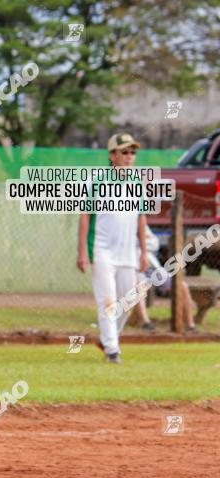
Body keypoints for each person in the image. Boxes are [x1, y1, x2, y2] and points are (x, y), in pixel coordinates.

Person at [77, 132, 149, 363]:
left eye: (132, 153)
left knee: (128, 301)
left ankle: (107, 338)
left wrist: (144, 252)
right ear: (112, 156)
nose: (129, 157)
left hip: (127, 253)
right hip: (101, 251)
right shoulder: (97, 180)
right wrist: (81, 253)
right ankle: (112, 351)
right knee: (107, 301)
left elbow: (140, 218)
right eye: (124, 152)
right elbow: (85, 217)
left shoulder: (137, 183)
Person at [135, 224, 197, 332]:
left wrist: (139, 243)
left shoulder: (138, 221)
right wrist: (143, 241)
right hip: (134, 268)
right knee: (138, 285)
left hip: (153, 268)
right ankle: (146, 323)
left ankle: (190, 326)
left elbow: (155, 243)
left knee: (182, 286)